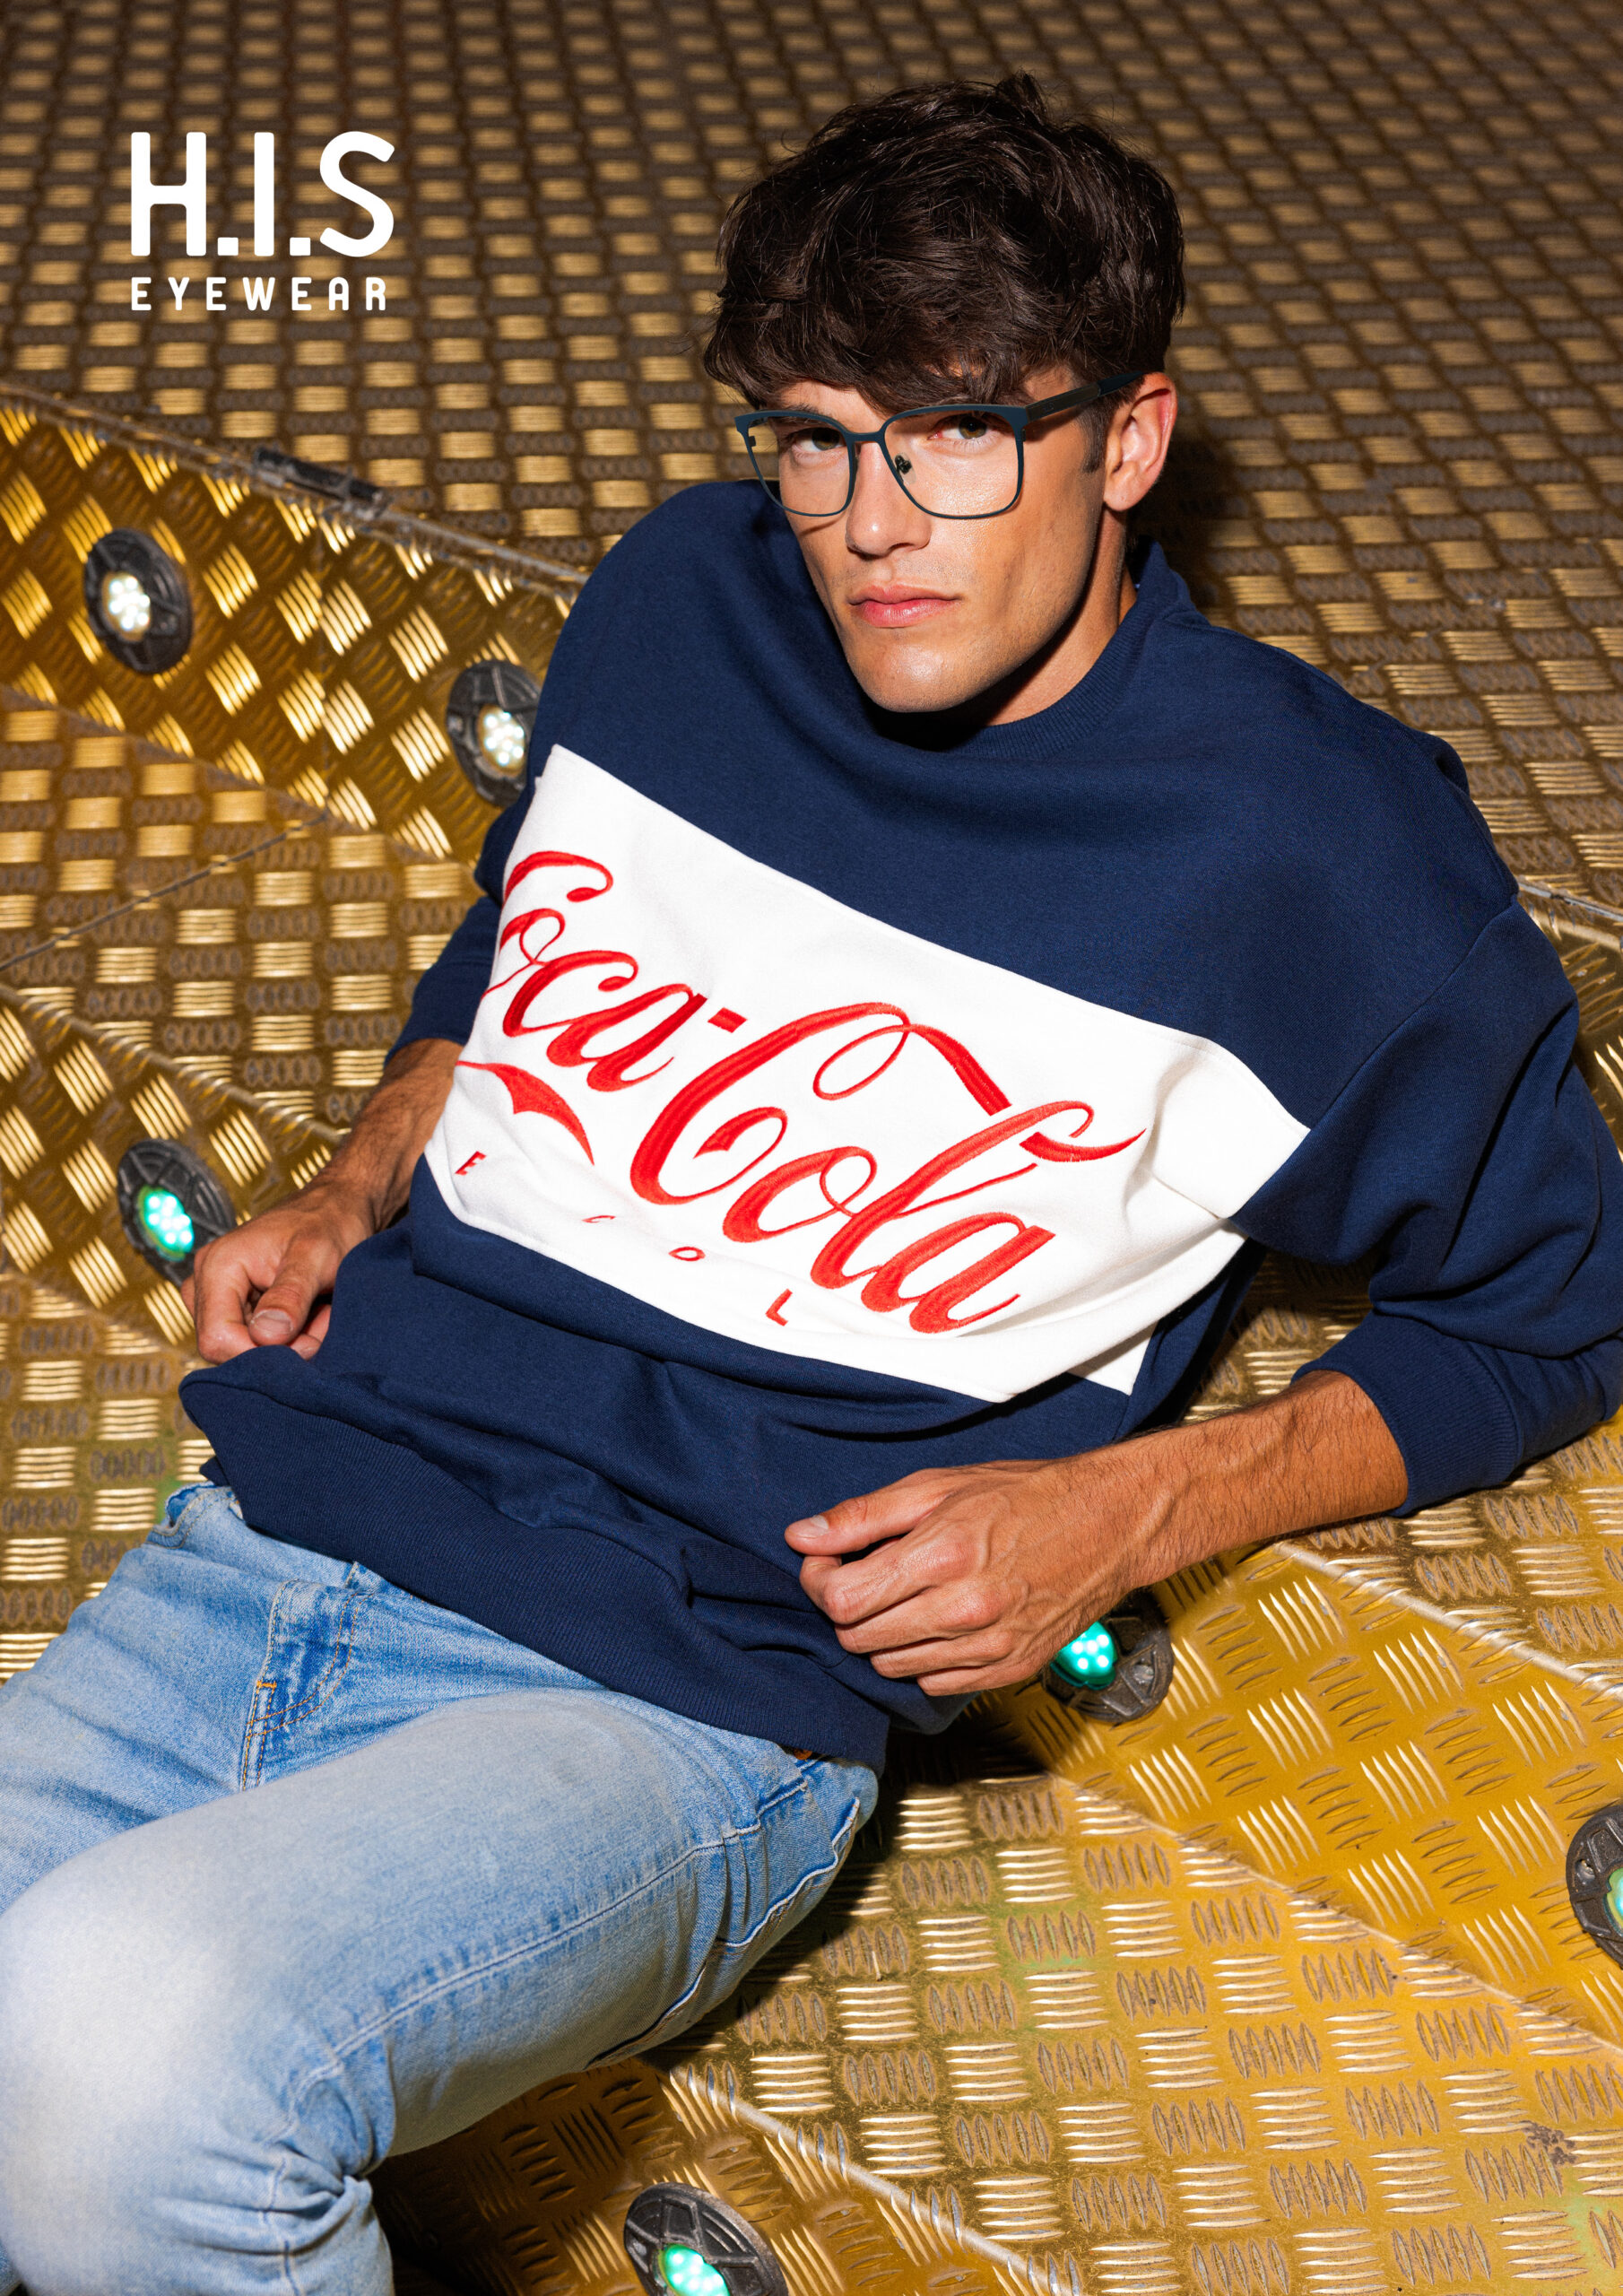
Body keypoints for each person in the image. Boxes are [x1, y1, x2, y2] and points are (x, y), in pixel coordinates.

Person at [2, 72, 1619, 2292]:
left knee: (118, 2070)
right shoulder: (687, 596)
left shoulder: (1316, 854)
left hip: (671, 1694)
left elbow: (1551, 1303)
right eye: (816, 436)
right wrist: (364, 1170)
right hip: (276, 1532)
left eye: (957, 435)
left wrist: (1124, 1506)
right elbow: (526, 929)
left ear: (1124, 441)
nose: (870, 522)